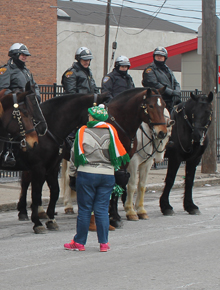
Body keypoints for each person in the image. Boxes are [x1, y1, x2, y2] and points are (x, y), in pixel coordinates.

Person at [64, 105, 129, 252]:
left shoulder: (83, 131)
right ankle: (104, 243)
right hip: (107, 175)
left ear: (93, 118)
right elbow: (117, 154)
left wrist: (73, 174)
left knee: (85, 209)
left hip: (87, 174)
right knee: (101, 210)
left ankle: (79, 242)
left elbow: (75, 155)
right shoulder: (112, 132)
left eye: (89, 116)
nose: (88, 118)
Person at [0, 43, 47, 136]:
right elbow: (2, 89)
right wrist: (17, 97)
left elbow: (34, 86)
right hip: (12, 106)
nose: (25, 57)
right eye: (23, 55)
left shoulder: (26, 71)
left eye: (26, 55)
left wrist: (37, 96)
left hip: (27, 104)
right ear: (15, 55)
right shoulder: (5, 70)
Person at [142, 46, 181, 112]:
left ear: (165, 58)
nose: (159, 57)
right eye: (157, 55)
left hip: (170, 101)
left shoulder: (168, 69)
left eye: (161, 56)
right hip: (157, 101)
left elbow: (175, 82)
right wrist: (171, 92)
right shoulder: (150, 70)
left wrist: (177, 92)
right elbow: (155, 84)